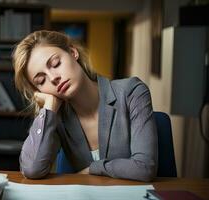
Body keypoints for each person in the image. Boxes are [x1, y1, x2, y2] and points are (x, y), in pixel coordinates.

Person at [12, 30, 158, 182]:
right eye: (41, 81)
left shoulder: (131, 92)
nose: (53, 78)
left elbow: (144, 168)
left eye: (56, 63)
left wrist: (92, 168)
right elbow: (32, 169)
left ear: (73, 52)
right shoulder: (55, 117)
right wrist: (48, 108)